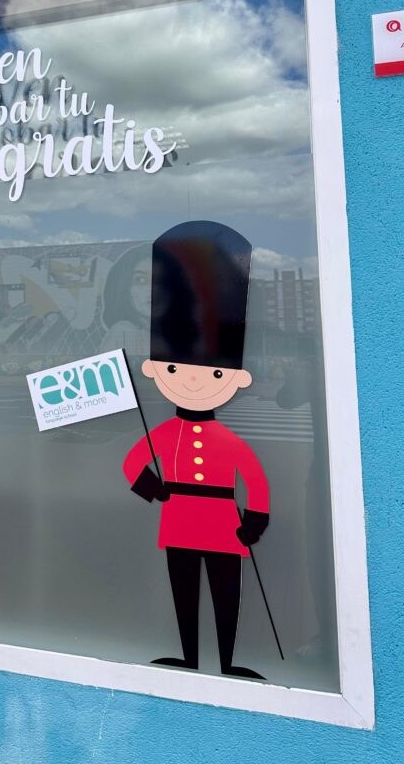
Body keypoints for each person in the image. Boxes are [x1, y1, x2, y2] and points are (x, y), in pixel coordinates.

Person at [122, 221, 270, 680]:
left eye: (214, 374)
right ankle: (187, 657)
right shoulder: (167, 432)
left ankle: (227, 662)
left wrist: (255, 520)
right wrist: (155, 489)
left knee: (227, 593)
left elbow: (255, 479)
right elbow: (132, 461)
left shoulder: (228, 440)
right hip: (179, 522)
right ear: (155, 369)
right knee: (183, 591)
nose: (190, 380)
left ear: (236, 378)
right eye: (174, 368)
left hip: (225, 526)